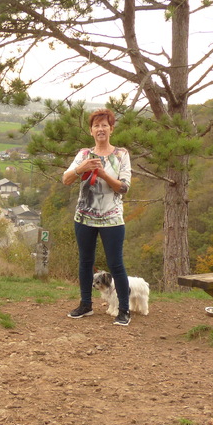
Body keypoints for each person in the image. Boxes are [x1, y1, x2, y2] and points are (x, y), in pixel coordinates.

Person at [62, 108, 133, 326]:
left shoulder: (121, 155)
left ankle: (124, 309)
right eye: (96, 126)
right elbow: (65, 179)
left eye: (104, 125)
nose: (100, 129)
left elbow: (124, 188)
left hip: (112, 219)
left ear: (111, 129)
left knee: (116, 264)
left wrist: (103, 174)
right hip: (84, 217)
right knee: (85, 261)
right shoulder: (84, 155)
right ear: (91, 131)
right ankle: (85, 305)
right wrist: (81, 168)